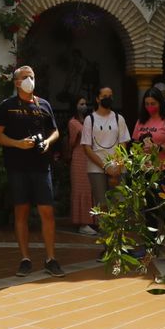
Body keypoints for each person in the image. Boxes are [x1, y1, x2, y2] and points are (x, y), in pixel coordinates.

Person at [0, 64, 63, 277]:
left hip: (41, 166)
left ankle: (51, 258)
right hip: (17, 166)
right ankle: (25, 259)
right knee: (21, 211)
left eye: (31, 76)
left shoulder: (44, 105)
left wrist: (49, 142)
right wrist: (17, 143)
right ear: (16, 82)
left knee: (47, 211)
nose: (29, 80)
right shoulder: (7, 106)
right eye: (25, 77)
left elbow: (55, 131)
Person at [132, 85, 165, 263]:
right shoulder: (141, 122)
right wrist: (141, 149)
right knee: (149, 212)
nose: (149, 106)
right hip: (147, 172)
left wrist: (159, 147)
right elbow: (134, 144)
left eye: (153, 103)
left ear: (160, 103)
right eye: (146, 103)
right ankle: (150, 246)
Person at [80, 86, 131, 229]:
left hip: (118, 166)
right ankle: (107, 244)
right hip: (96, 168)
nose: (108, 98)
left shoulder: (118, 118)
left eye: (110, 95)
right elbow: (86, 147)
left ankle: (119, 243)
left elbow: (123, 144)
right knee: (102, 205)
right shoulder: (90, 119)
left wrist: (117, 167)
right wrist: (105, 167)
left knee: (119, 204)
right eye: (104, 96)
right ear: (97, 99)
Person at [65, 95, 97, 236]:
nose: (84, 106)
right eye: (81, 103)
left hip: (90, 157)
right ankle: (83, 223)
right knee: (81, 189)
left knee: (91, 188)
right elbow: (77, 139)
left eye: (85, 103)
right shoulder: (73, 122)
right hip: (79, 157)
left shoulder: (89, 120)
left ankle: (91, 220)